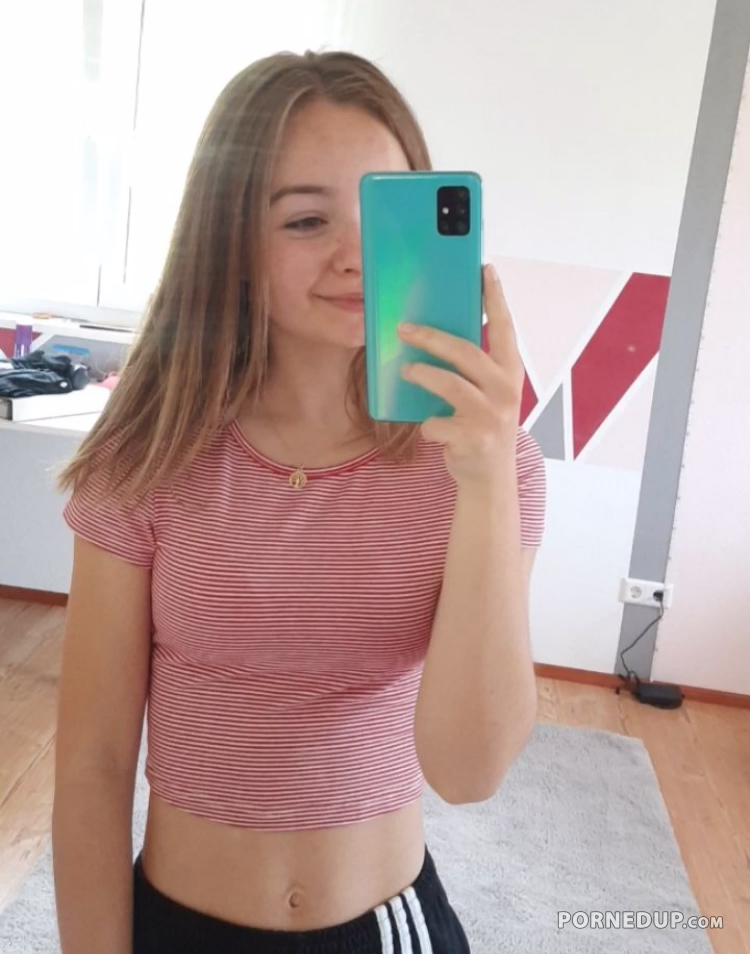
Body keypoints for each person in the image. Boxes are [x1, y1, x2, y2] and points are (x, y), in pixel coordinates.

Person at [51, 50, 546, 954]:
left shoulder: (485, 466)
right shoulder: (147, 454)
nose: (356, 257)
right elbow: (91, 764)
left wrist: (484, 481)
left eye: (382, 216)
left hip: (390, 926)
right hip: (178, 925)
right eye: (307, 219)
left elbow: (470, 770)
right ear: (232, 242)